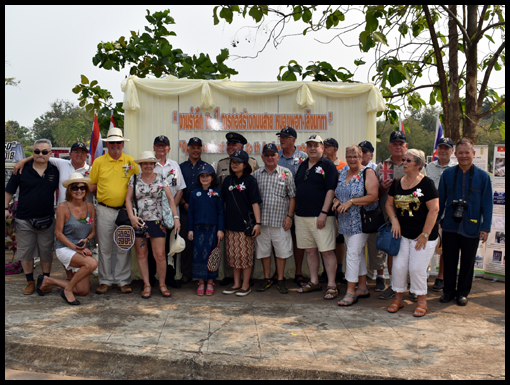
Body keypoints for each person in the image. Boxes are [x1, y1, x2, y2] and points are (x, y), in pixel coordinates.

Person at [438, 138, 493, 306]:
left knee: (468, 262)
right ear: (455, 154)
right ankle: (448, 291)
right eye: (460, 153)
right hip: (449, 225)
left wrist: (485, 227)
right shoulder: (447, 174)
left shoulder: (483, 177)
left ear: (473, 154)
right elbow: (440, 200)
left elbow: (487, 203)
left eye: (467, 152)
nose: (464, 156)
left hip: (472, 225)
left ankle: (462, 293)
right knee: (449, 260)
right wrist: (436, 222)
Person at [385, 149, 440, 317]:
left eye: (408, 160)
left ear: (419, 165)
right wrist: (394, 220)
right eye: (404, 160)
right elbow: (389, 204)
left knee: (416, 269)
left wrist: (425, 234)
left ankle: (422, 301)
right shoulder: (396, 183)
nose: (404, 163)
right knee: (399, 267)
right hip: (402, 235)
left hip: (423, 236)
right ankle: (398, 299)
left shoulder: (427, 184)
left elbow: (434, 210)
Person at [376, 130, 427, 300]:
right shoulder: (382, 166)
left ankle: (413, 287)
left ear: (406, 146)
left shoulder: (418, 165)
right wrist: (382, 188)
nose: (398, 147)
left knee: (414, 253)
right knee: (394, 251)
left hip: (413, 218)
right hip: (391, 217)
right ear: (390, 146)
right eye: (395, 144)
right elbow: (372, 193)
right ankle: (394, 286)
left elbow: (424, 191)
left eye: (401, 144)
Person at [88, 127, 139, 294]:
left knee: (124, 246)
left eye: (118, 142)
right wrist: (105, 198)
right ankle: (105, 280)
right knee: (104, 246)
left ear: (123, 144)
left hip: (125, 211)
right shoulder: (98, 162)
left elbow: (138, 185)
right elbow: (92, 185)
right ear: (107, 144)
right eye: (112, 142)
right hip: (104, 210)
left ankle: (123, 281)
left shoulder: (131, 162)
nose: (115, 145)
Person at [5, 139, 60, 295]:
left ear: (50, 153)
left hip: (47, 219)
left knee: (46, 251)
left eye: (44, 152)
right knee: (26, 252)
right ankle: (30, 281)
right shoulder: (21, 170)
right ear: (32, 152)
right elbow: (9, 191)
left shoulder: (55, 170)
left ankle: (46, 281)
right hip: (24, 219)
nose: (40, 154)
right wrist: (5, 208)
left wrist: (25, 158)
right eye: (36, 151)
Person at [35, 172, 98, 305]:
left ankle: (48, 281)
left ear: (86, 190)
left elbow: (92, 232)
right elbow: (59, 234)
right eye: (75, 188)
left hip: (81, 248)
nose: (79, 190)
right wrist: (76, 248)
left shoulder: (90, 206)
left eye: (82, 187)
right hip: (65, 248)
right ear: (70, 190)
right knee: (92, 263)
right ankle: (68, 290)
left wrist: (85, 241)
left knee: (83, 291)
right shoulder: (63, 207)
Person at [125, 151, 180, 299]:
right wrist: (131, 216)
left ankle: (162, 284)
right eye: (145, 163)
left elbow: (170, 200)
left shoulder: (162, 178)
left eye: (151, 163)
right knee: (142, 255)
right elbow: (128, 199)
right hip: (139, 222)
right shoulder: (134, 179)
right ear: (141, 165)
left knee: (160, 255)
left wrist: (176, 218)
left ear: (154, 165)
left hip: (158, 222)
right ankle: (147, 285)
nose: (148, 166)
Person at [333, 145, 379, 306]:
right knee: (356, 254)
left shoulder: (368, 172)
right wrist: (337, 200)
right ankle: (362, 287)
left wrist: (351, 202)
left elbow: (373, 196)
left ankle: (350, 292)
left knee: (352, 254)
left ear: (362, 157)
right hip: (345, 222)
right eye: (349, 156)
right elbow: (339, 192)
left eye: (355, 157)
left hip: (361, 221)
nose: (352, 160)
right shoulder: (344, 171)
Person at [294, 135, 338, 299]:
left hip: (321, 216)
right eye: (310, 145)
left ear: (323, 148)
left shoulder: (328, 165)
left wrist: (324, 212)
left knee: (326, 251)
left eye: (316, 145)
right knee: (309, 250)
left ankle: (332, 285)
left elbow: (331, 190)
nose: (312, 148)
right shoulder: (302, 165)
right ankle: (314, 281)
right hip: (302, 216)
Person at [216, 132, 259, 286]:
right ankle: (230, 277)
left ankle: (247, 280)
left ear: (242, 147)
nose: (231, 147)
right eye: (229, 144)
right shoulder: (221, 164)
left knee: (246, 250)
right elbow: (220, 193)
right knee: (231, 250)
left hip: (246, 217)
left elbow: (255, 193)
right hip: (230, 216)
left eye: (234, 144)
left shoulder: (253, 163)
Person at [253, 143, 296, 294]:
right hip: (262, 222)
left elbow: (292, 196)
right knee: (264, 252)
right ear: (262, 157)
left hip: (281, 221)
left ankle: (280, 280)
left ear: (278, 157)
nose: (270, 157)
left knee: (281, 252)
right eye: (267, 155)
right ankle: (266, 279)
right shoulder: (256, 174)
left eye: (273, 155)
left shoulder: (286, 173)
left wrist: (290, 216)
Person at [221, 150, 262, 297]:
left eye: (238, 162)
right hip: (230, 225)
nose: (234, 165)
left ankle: (245, 285)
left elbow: (255, 203)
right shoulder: (227, 181)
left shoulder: (250, 181)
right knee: (233, 256)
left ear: (245, 165)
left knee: (245, 257)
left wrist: (258, 223)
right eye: (233, 162)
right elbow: (224, 203)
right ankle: (236, 283)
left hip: (246, 226)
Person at [151, 135, 186, 287]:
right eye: (158, 145)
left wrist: (171, 210)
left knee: (171, 247)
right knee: (155, 247)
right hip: (153, 213)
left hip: (172, 214)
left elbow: (179, 190)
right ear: (154, 148)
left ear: (168, 148)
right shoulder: (150, 164)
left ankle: (170, 278)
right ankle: (153, 278)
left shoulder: (174, 166)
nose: (161, 148)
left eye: (164, 146)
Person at [276, 126, 308, 287]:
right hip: (280, 204)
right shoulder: (276, 156)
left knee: (298, 239)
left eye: (285, 137)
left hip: (300, 204)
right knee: (277, 236)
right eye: (280, 137)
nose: (281, 139)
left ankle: (298, 272)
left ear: (294, 140)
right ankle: (278, 273)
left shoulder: (304, 157)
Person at [187, 164, 225, 296]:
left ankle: (210, 281)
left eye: (207, 176)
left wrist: (220, 229)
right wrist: (190, 230)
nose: (205, 178)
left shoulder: (217, 194)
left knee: (211, 255)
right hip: (197, 229)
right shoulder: (194, 193)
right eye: (202, 176)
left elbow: (221, 212)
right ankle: (201, 281)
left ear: (212, 178)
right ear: (199, 178)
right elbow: (190, 212)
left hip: (213, 230)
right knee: (198, 255)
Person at [13, 141, 91, 204]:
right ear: (70, 154)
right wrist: (23, 161)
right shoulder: (62, 163)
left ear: (86, 155)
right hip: (63, 211)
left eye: (83, 152)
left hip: (84, 212)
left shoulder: (91, 170)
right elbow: (41, 156)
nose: (79, 154)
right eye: (76, 151)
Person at [425, 137, 457, 292]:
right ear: (437, 149)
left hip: (448, 213)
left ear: (452, 151)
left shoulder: (457, 167)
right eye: (441, 147)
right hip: (429, 212)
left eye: (447, 148)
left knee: (445, 247)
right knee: (426, 244)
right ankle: (423, 275)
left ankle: (441, 276)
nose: (443, 150)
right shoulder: (429, 167)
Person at [179, 137, 208, 285]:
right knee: (186, 243)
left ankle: (203, 274)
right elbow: (178, 189)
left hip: (202, 213)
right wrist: (184, 204)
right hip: (184, 211)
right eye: (193, 147)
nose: (196, 150)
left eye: (198, 147)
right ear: (188, 149)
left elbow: (211, 190)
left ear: (201, 149)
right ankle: (186, 273)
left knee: (202, 244)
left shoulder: (207, 168)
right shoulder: (180, 167)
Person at [358, 140, 385, 292]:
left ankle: (380, 277)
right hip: (357, 213)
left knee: (376, 247)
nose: (362, 154)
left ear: (371, 154)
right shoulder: (352, 168)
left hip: (374, 213)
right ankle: (359, 278)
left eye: (365, 151)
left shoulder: (377, 169)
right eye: (360, 150)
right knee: (358, 248)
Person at [323, 137, 347, 284]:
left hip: (339, 209)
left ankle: (339, 270)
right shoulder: (320, 165)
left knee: (339, 241)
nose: (325, 149)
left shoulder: (344, 166)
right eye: (324, 146)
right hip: (323, 207)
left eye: (328, 147)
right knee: (324, 240)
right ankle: (326, 271)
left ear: (335, 149)